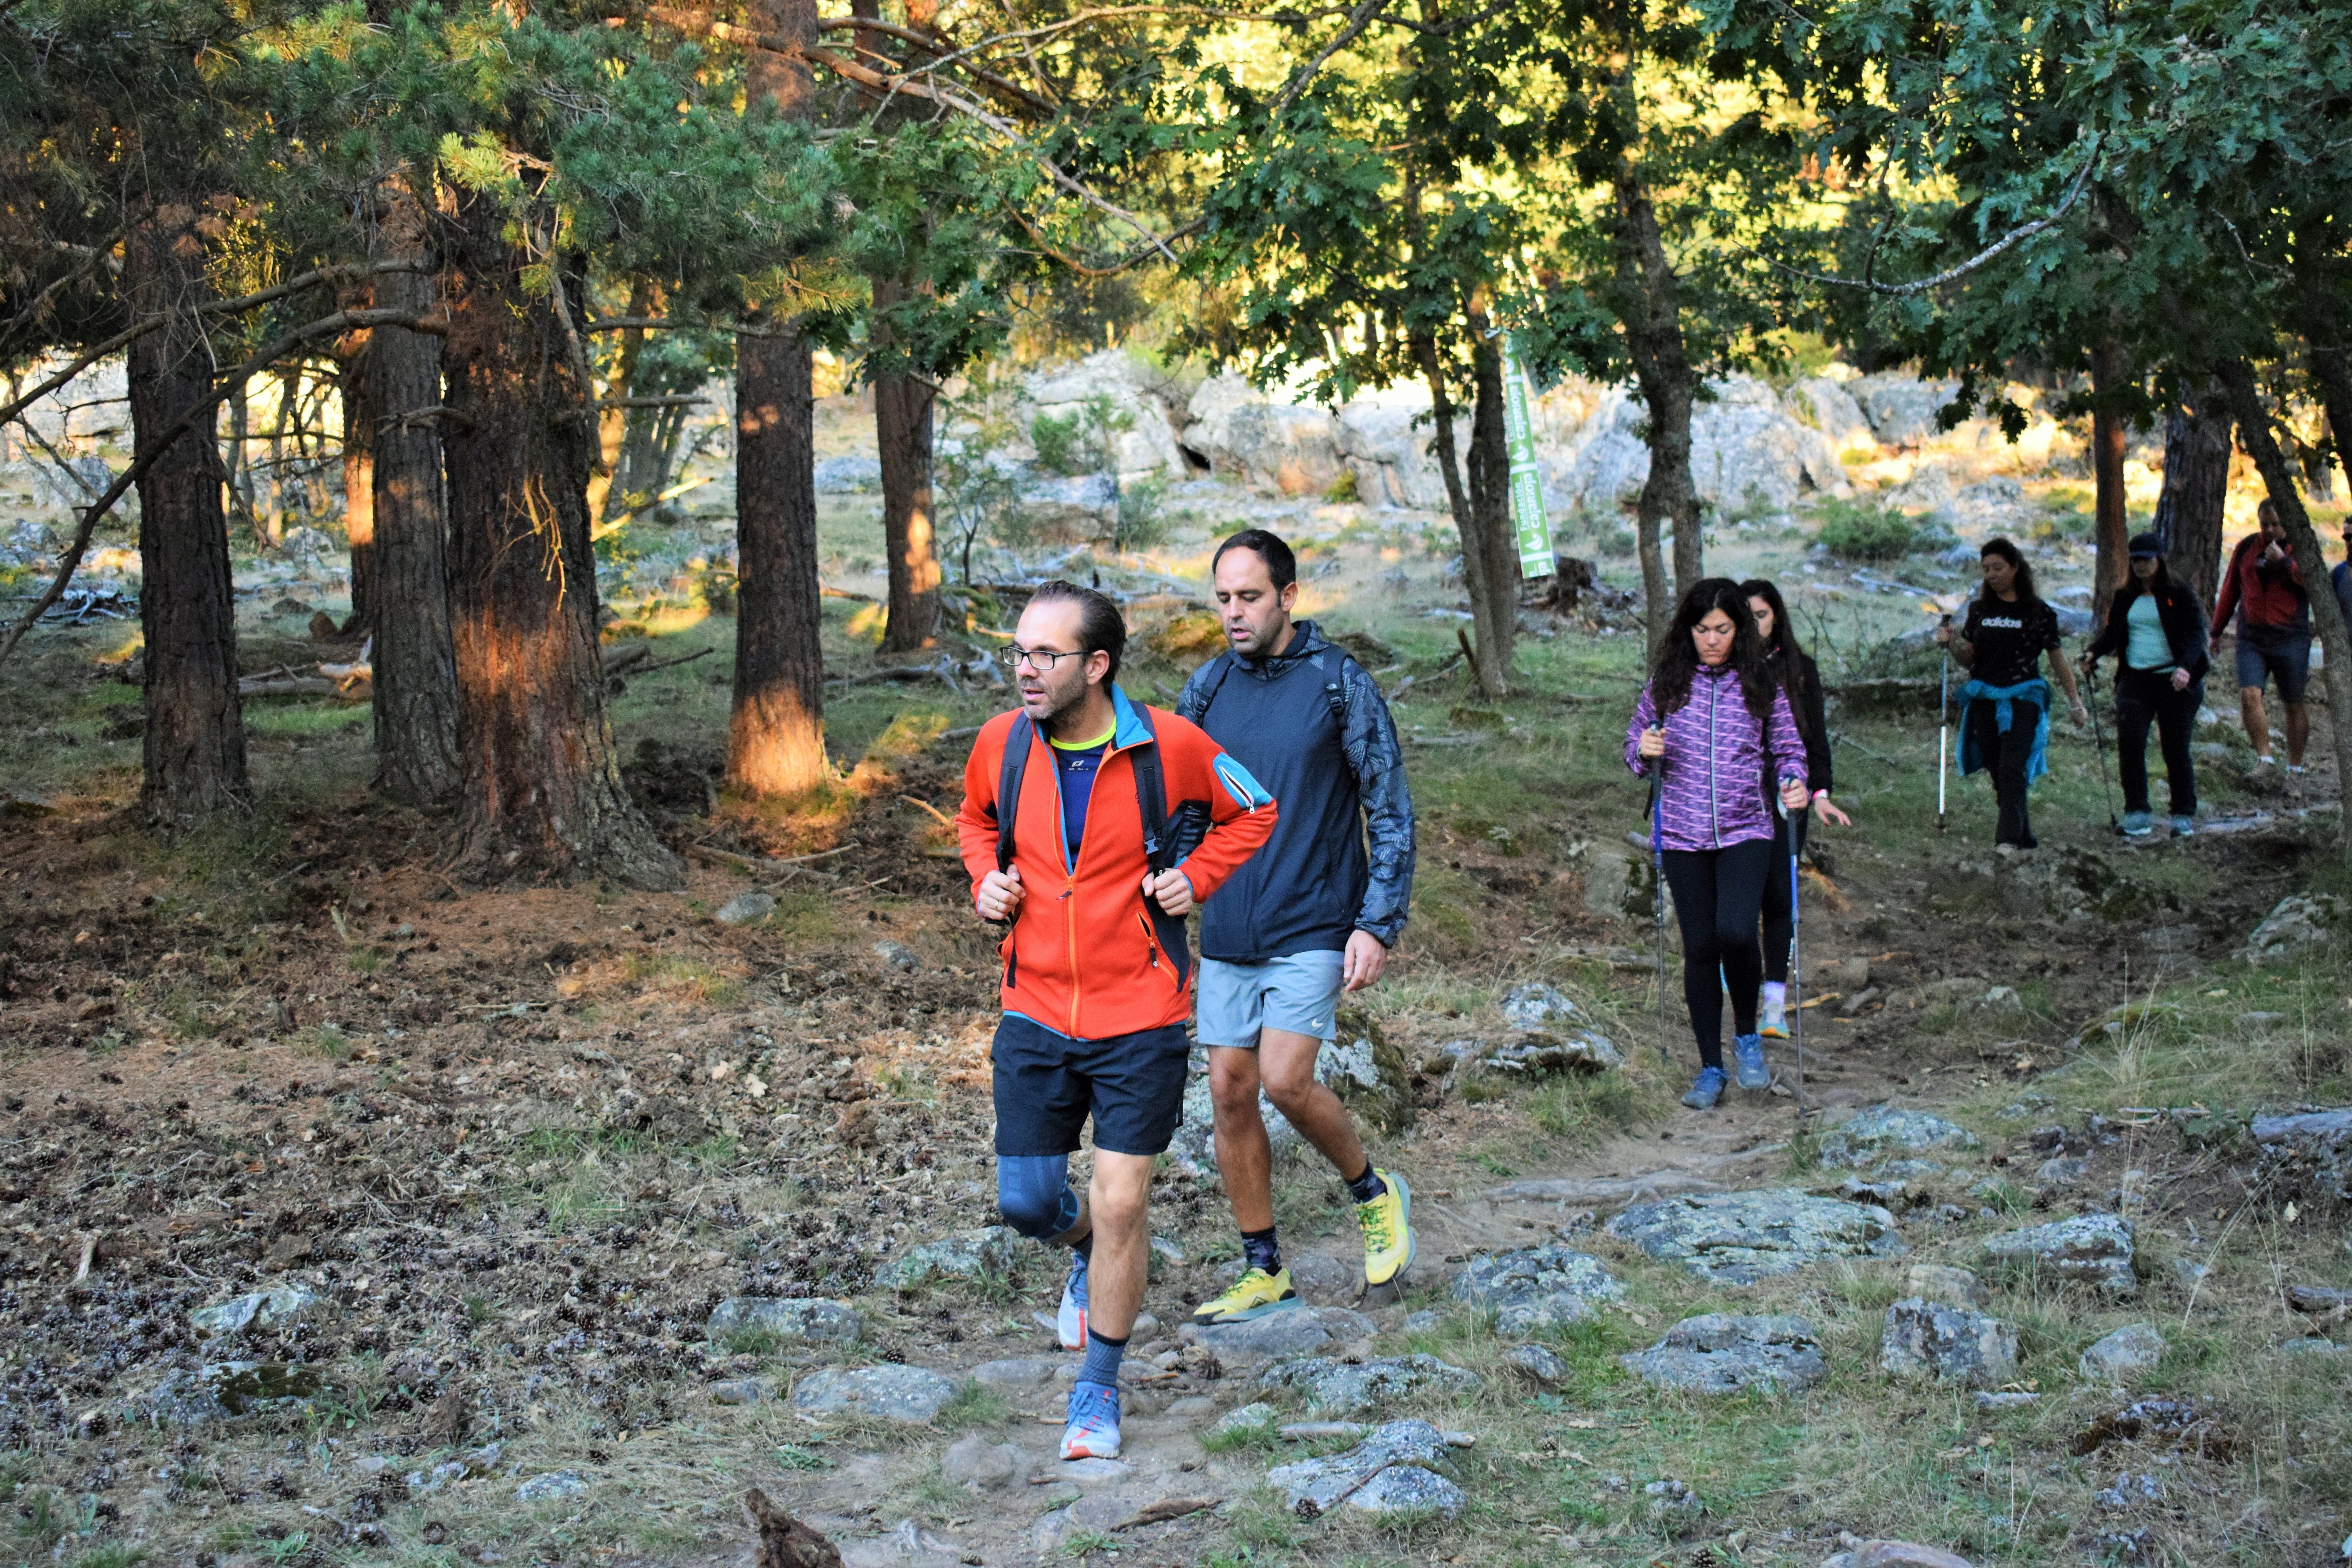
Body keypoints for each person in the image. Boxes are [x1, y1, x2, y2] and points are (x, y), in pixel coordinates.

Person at [955, 581, 1277, 1461]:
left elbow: (1256, 808)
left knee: (1123, 1196)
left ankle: (1097, 1388)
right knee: (1026, 1201)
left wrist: (1196, 877)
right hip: (1034, 1009)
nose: (1025, 669)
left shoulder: (1168, 744)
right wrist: (986, 879)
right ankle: (1087, 1250)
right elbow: (976, 822)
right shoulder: (1001, 744)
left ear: (1096, 665)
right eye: (1018, 651)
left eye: (1044, 655)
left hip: (1139, 1014)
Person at [1176, 529, 1417, 1325]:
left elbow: (1388, 803)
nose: (1234, 612)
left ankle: (1372, 1190)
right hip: (1230, 925)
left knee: (1284, 1077)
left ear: (1289, 595)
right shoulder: (1207, 689)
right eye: (1223, 598)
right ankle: (1264, 1267)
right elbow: (1179, 811)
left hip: (1316, 917)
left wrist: (1376, 922)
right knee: (1230, 1090)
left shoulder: (1338, 682)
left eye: (1249, 596)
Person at [1626, 579, 1812, 1110]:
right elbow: (1633, 748)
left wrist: (1793, 781)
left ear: (1741, 630)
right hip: (1682, 832)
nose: (1712, 640)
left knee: (1736, 930)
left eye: (1723, 630)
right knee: (1701, 946)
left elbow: (1787, 747)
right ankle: (1711, 1067)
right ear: (1689, 630)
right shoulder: (1668, 683)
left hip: (1746, 827)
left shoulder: (1760, 682)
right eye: (1703, 630)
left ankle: (1748, 1038)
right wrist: (1644, 748)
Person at [1739, 579, 1851, 1042]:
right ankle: (1740, 979)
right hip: (1736, 799)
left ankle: (1774, 1003)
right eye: (1745, 618)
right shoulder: (1724, 669)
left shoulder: (1800, 669)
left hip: (1791, 796)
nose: (1754, 626)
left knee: (1779, 897)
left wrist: (1819, 792)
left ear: (1777, 617)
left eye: (1761, 616)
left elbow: (1815, 738)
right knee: (1738, 897)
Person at [1935, 538, 2088, 853]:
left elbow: (2057, 659)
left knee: (2012, 768)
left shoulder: (2038, 612)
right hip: (1984, 698)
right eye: (1986, 569)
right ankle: (2024, 838)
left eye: (1998, 568)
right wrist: (1950, 644)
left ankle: (2005, 842)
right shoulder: (1980, 611)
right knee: (1995, 767)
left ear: (2016, 568)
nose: (1991, 575)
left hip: (2023, 697)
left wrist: (2076, 703)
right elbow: (1971, 661)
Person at [2082, 532, 2210, 838]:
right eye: (2136, 560)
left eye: (2147, 560)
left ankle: (2182, 813)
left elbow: (2196, 635)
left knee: (2175, 747)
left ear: (2159, 560)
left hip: (2175, 680)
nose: (2141, 565)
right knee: (2131, 741)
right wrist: (2093, 651)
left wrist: (2185, 668)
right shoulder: (2125, 596)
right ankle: (2137, 813)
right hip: (2136, 678)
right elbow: (2113, 633)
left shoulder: (2179, 593)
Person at [2210, 499, 2311, 774]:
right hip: (2252, 637)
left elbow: (2310, 582)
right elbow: (2231, 588)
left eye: (2276, 525)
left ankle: (2296, 768)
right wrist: (2216, 632)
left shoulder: (2301, 548)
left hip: (2291, 637)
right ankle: (2265, 759)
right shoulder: (2246, 548)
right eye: (2264, 524)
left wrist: (2284, 562)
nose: (2270, 530)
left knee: (2293, 702)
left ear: (2286, 524)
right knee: (2249, 694)